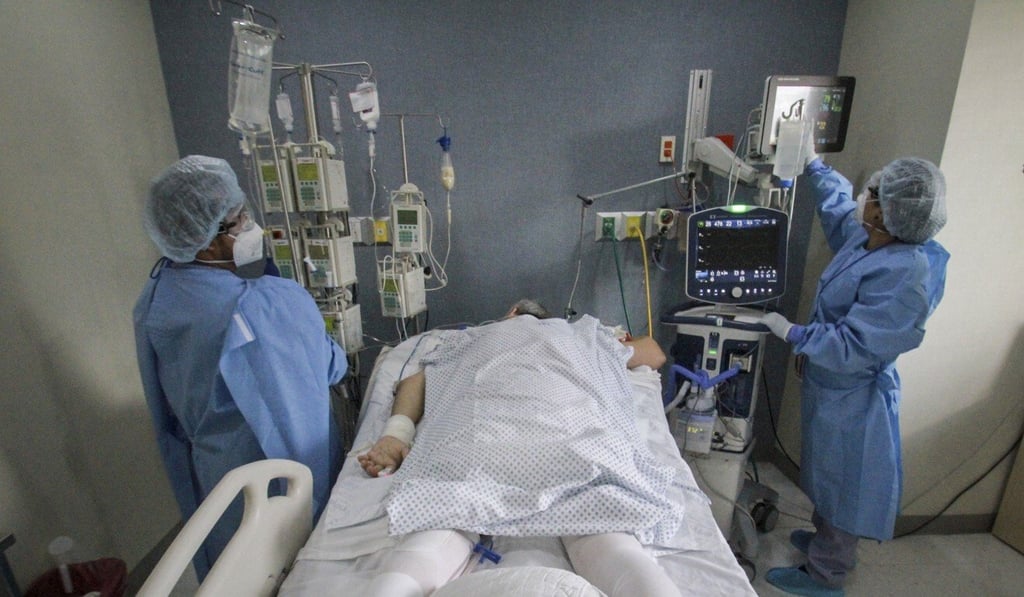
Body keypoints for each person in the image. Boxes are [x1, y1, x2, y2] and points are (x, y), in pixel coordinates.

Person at [357, 300, 686, 597]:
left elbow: (413, 382)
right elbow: (654, 353)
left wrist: (395, 434)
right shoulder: (585, 335)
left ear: (510, 313)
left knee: (433, 539)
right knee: (613, 545)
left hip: (476, 448)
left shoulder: (464, 340)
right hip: (578, 448)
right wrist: (615, 339)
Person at [133, 155, 347, 580]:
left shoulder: (156, 297)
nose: (250, 226)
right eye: (239, 219)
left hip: (217, 474)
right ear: (208, 240)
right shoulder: (265, 304)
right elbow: (331, 367)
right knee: (300, 569)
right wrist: (285, 301)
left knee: (238, 572)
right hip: (285, 473)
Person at [760, 155, 949, 596]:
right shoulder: (870, 240)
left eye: (875, 195)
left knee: (845, 483)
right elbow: (839, 211)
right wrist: (814, 165)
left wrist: (794, 333)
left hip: (854, 393)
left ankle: (827, 574)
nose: (865, 197)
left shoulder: (905, 274)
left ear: (888, 212)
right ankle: (825, 541)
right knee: (826, 473)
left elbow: (857, 345)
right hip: (829, 387)